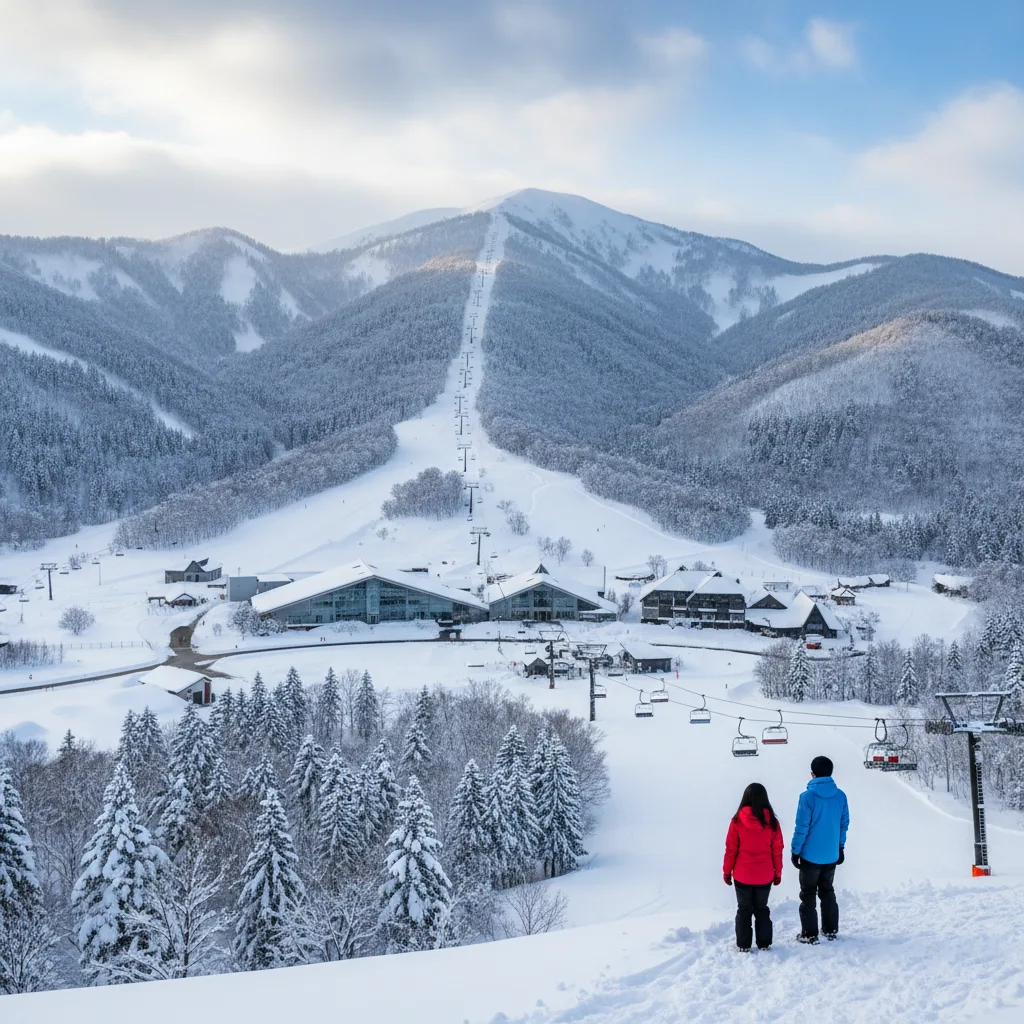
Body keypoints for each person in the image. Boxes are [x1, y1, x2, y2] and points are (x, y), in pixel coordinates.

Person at [791, 755, 850, 944]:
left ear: (812, 774)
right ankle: (830, 930)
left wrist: (795, 851)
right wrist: (840, 847)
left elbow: (802, 827)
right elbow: (844, 824)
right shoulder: (840, 796)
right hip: (831, 855)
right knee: (827, 891)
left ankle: (809, 934)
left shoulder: (807, 797)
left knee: (808, 894)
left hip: (810, 856)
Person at [722, 782, 784, 952]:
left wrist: (727, 871)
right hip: (765, 875)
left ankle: (743, 945)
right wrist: (777, 872)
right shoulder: (772, 822)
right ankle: (764, 943)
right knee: (761, 909)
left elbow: (731, 849)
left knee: (744, 909)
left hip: (742, 875)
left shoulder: (736, 821)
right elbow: (777, 850)